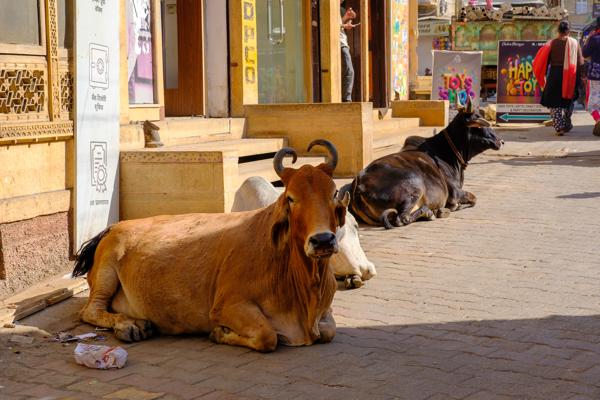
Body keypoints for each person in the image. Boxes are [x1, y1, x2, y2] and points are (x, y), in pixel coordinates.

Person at [533, 21, 584, 135]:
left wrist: (543, 75)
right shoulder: (574, 43)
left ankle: (559, 127)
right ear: (568, 31)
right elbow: (580, 62)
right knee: (568, 99)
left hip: (555, 75)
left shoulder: (551, 43)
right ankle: (566, 122)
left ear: (558, 31)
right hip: (571, 75)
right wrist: (582, 77)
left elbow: (542, 60)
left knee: (554, 102)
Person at [583, 17, 600, 136]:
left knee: (592, 103)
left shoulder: (594, 39)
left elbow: (584, 54)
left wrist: (588, 39)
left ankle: (598, 119)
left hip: (596, 75)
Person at [340, 1, 359, 102]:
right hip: (340, 43)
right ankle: (346, 99)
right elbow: (333, 25)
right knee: (349, 70)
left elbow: (339, 24)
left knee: (347, 70)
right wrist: (344, 24)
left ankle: (345, 98)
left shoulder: (341, 10)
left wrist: (347, 18)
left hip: (343, 43)